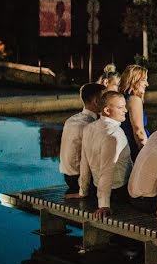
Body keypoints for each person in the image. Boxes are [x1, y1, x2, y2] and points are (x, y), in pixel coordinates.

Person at [79, 90, 133, 220]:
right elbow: (107, 170)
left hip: (97, 186)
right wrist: (104, 205)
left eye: (124, 106)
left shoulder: (89, 128)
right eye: (120, 107)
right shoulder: (114, 134)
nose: (125, 110)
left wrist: (83, 191)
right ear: (107, 111)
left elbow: (84, 163)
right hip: (119, 191)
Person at [59, 82, 105, 197]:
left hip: (68, 177)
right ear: (96, 101)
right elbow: (92, 161)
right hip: (79, 180)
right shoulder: (90, 125)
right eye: (104, 98)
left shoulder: (71, 120)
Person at [119, 64, 150, 160]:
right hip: (135, 148)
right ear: (134, 81)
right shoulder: (134, 100)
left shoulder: (122, 97)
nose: (147, 84)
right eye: (144, 80)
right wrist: (146, 154)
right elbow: (138, 131)